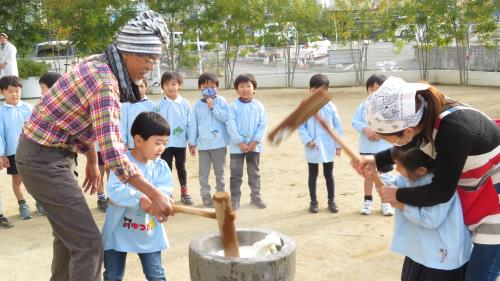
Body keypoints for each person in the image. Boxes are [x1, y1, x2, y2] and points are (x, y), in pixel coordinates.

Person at [15, 11, 174, 281]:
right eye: (147, 58)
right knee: (88, 245)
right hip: (42, 159)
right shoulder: (105, 82)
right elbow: (112, 151)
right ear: (128, 52)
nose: (150, 66)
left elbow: (79, 117)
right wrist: (154, 193)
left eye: (155, 59)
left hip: (49, 154)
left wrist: (90, 159)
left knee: (69, 238)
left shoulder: (99, 62)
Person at [353, 76, 500, 281]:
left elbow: (440, 191)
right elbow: (409, 146)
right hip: (477, 191)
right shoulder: (424, 114)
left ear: (409, 131)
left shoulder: (454, 130)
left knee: (480, 273)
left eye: (389, 139)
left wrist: (398, 195)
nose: (391, 144)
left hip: (495, 202)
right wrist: (376, 159)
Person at [102, 112, 172, 281]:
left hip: (148, 229)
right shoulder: (122, 163)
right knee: (113, 275)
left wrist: (161, 203)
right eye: (157, 143)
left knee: (156, 274)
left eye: (165, 143)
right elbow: (114, 190)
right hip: (118, 228)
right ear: (139, 140)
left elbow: (165, 192)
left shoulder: (161, 167)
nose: (162, 148)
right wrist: (141, 199)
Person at [389, 144, 470, 281]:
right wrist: (375, 175)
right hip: (421, 248)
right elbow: (395, 184)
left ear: (421, 170)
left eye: (400, 166)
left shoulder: (439, 185)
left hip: (440, 253)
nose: (396, 169)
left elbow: (430, 220)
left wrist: (403, 206)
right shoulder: (411, 175)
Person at [298, 74, 342, 213]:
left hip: (328, 146)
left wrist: (338, 145)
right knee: (313, 175)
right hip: (312, 146)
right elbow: (300, 126)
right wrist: (308, 140)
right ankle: (313, 201)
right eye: (314, 90)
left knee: (329, 174)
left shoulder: (331, 107)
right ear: (309, 90)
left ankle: (331, 201)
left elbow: (337, 127)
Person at [352, 74, 394, 216]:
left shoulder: (389, 108)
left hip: (384, 150)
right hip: (367, 148)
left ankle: (386, 203)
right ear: (367, 90)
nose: (374, 93)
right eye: (371, 90)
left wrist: (380, 133)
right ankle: (367, 202)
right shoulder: (363, 106)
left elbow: (392, 126)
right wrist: (365, 128)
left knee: (384, 176)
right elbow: (355, 122)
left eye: (378, 89)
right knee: (369, 176)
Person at [0, 76, 42, 218]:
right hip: (13, 152)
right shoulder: (1, 112)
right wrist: (1, 154)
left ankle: (39, 202)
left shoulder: (29, 108)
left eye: (17, 91)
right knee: (17, 180)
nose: (14, 94)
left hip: (31, 151)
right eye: (10, 91)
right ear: (2, 92)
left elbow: (38, 128)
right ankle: (22, 204)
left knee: (35, 178)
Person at [226, 73, 267, 210]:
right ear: (237, 89)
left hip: (254, 147)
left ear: (254, 88)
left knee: (253, 172)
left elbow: (262, 125)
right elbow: (231, 126)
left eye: (248, 86)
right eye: (241, 86)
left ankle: (256, 197)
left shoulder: (259, 106)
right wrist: (240, 143)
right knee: (236, 174)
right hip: (237, 147)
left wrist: (254, 142)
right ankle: (235, 199)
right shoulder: (233, 106)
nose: (245, 89)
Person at [188, 72, 229, 207]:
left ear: (217, 88)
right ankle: (205, 196)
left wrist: (213, 107)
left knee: (220, 172)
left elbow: (224, 118)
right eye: (205, 86)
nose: (209, 88)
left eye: (213, 86)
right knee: (203, 173)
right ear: (199, 88)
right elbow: (193, 125)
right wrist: (192, 143)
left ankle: (220, 194)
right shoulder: (196, 105)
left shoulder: (221, 101)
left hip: (219, 144)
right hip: (203, 145)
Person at [158, 71, 194, 205]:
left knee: (181, 165)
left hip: (180, 143)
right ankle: (168, 194)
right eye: (166, 84)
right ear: (162, 87)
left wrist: (191, 142)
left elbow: (190, 124)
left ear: (179, 85)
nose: (171, 87)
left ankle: (184, 192)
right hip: (164, 144)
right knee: (166, 168)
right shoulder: (159, 105)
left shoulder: (185, 103)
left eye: (174, 84)